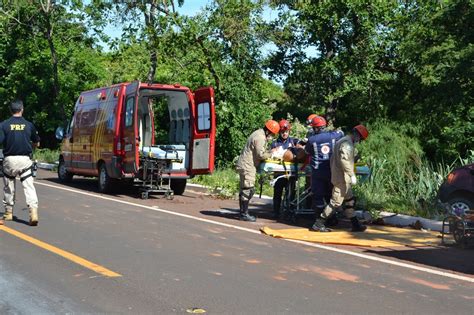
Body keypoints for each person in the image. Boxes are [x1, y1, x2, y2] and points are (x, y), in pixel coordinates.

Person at [311, 124, 369, 232]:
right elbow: (344, 161)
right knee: (335, 202)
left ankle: (355, 224)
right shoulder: (347, 144)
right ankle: (319, 223)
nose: (359, 141)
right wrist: (352, 175)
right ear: (357, 135)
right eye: (360, 139)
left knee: (349, 201)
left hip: (343, 178)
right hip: (341, 178)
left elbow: (339, 158)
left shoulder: (343, 141)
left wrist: (354, 159)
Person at [0, 100, 40, 226]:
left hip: (9, 160)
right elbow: (36, 142)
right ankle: (33, 212)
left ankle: (8, 212)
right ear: (22, 109)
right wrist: (33, 147)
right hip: (25, 160)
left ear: (10, 110)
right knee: (29, 186)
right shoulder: (29, 125)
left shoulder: (3, 125)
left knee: (9, 185)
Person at [236, 120, 280, 222]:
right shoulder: (260, 137)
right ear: (269, 131)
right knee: (248, 189)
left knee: (244, 189)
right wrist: (271, 153)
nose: (272, 136)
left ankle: (243, 212)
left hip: (245, 164)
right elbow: (260, 155)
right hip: (248, 165)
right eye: (273, 134)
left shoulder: (258, 133)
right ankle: (244, 214)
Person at [304, 116, 344, 221]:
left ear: (315, 128)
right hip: (331, 171)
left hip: (318, 172)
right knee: (330, 195)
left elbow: (307, 152)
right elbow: (342, 133)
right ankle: (331, 218)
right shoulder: (334, 136)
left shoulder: (312, 140)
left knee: (318, 197)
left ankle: (319, 221)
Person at [270, 119, 300, 219]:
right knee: (278, 192)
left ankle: (290, 211)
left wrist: (300, 146)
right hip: (279, 173)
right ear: (279, 132)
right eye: (283, 132)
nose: (284, 134)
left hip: (291, 172)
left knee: (291, 192)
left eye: (286, 132)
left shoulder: (293, 141)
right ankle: (276, 211)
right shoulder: (274, 144)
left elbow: (301, 145)